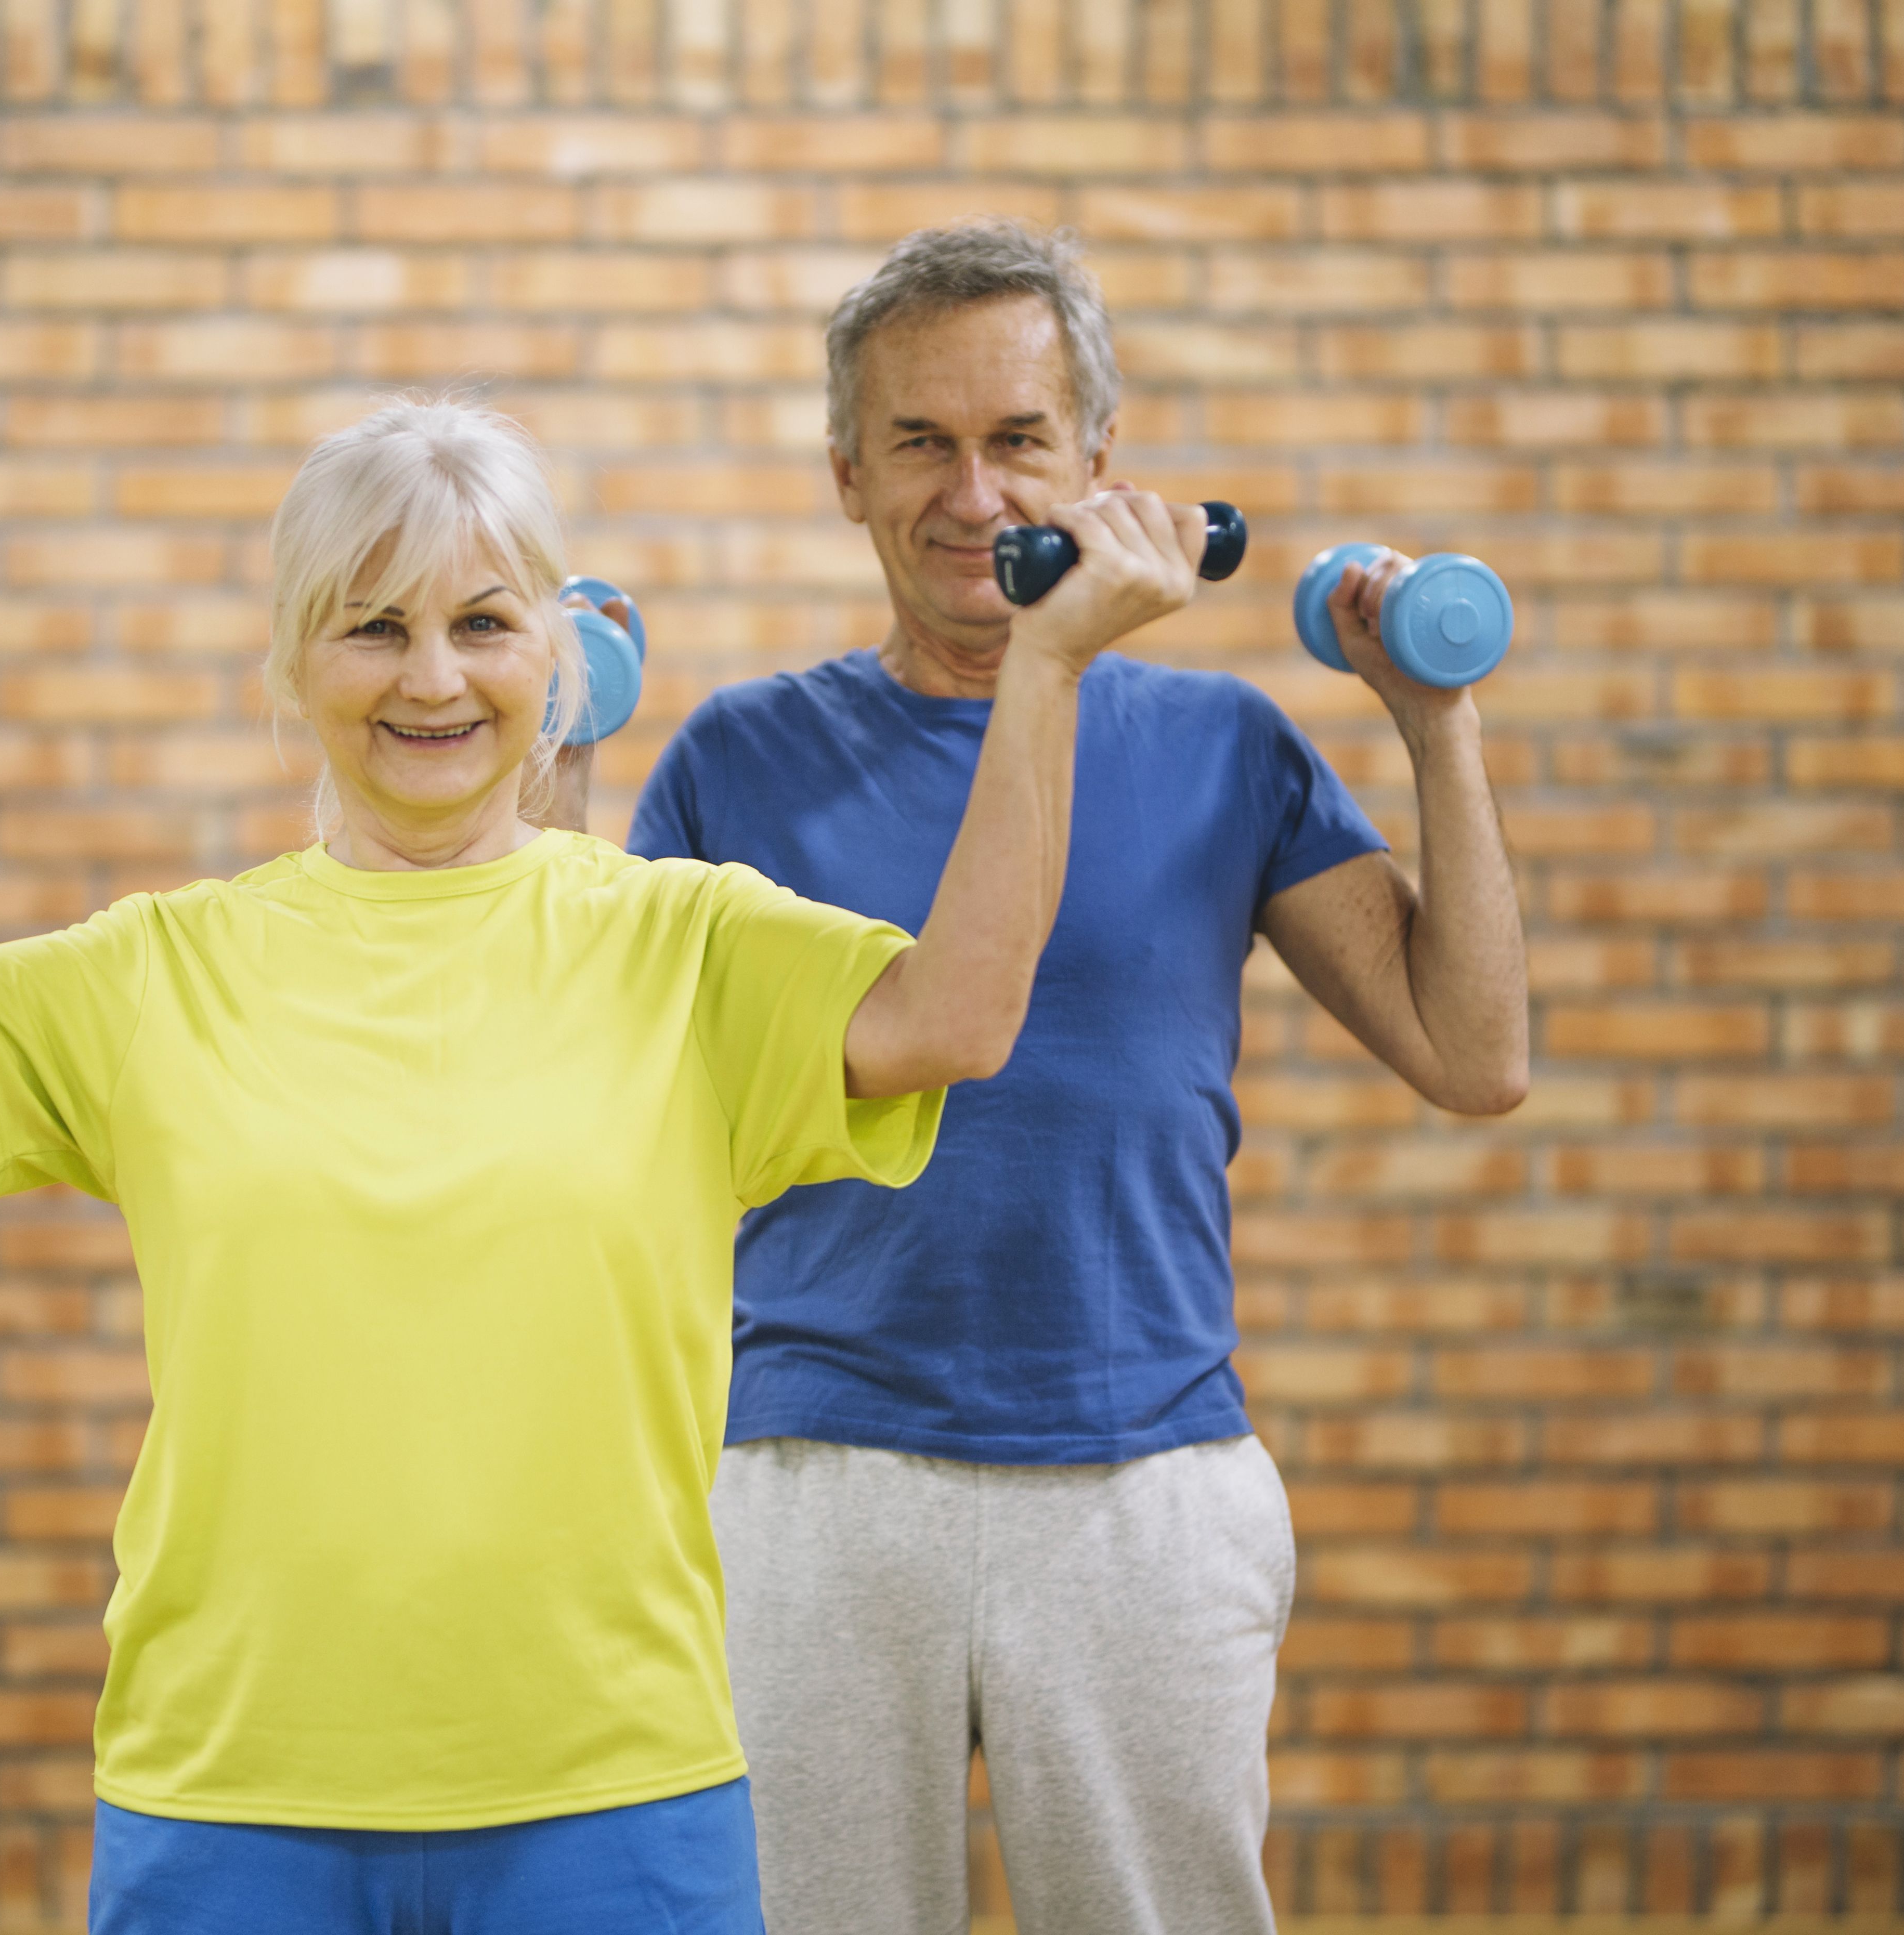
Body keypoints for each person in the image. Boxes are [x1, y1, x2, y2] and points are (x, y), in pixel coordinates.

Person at [0, 398, 1218, 1935]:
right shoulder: (169, 967)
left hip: (615, 1790)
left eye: (484, 622)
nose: (433, 678)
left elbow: (959, 1012)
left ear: (555, 653)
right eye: (373, 626)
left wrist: (1050, 668)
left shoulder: (686, 944)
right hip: (235, 1789)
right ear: (293, 663)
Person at [625, 220, 1530, 1935]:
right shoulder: (738, 759)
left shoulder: (1224, 748)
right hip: (814, 1476)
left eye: (1019, 440)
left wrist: (1438, 725)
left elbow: (1475, 1053)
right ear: (846, 475)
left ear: (1099, 464)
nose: (975, 495)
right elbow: (602, 1095)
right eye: (922, 443)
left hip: (1142, 1487)